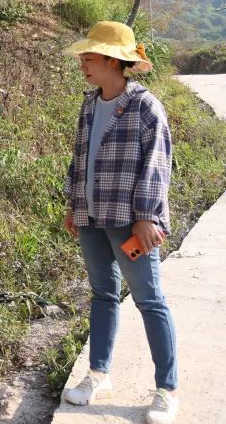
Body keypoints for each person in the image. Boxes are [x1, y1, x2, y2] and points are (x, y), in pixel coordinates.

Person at [61, 21, 179, 424]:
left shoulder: (145, 106)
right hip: (92, 217)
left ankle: (166, 389)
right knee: (103, 295)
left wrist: (147, 216)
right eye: (83, 58)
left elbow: (158, 165)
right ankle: (98, 375)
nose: (84, 65)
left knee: (149, 299)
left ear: (114, 61)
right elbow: (80, 159)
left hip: (130, 221)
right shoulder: (90, 104)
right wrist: (73, 205)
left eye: (90, 58)